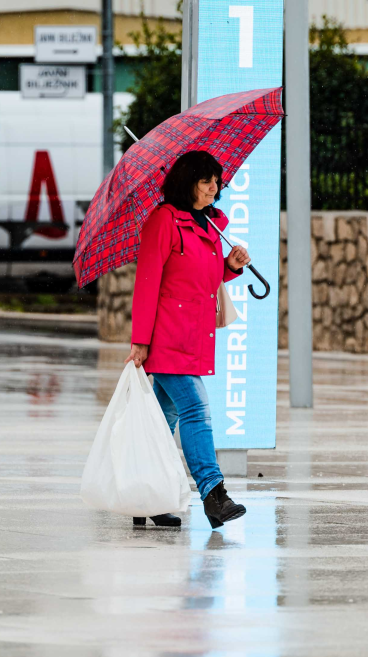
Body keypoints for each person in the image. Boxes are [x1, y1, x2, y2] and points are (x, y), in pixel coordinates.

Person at [125, 150, 251, 528]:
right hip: (166, 337)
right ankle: (214, 494)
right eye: (206, 181)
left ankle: (145, 495)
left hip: (194, 335)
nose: (215, 186)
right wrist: (140, 340)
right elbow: (147, 283)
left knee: (166, 419)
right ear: (187, 184)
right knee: (196, 409)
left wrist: (228, 268)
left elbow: (202, 279)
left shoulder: (211, 225)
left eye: (217, 180)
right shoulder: (164, 221)